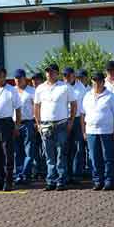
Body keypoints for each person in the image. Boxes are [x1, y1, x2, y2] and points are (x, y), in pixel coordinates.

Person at [34, 63, 77, 191]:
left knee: (60, 154)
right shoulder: (40, 88)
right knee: (49, 155)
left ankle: (61, 180)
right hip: (45, 125)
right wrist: (38, 123)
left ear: (57, 73)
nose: (49, 74)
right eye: (47, 72)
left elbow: (74, 104)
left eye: (52, 72)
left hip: (61, 124)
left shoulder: (65, 87)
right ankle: (51, 180)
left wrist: (71, 121)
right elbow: (36, 106)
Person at [81, 72, 114, 191]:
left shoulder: (111, 96)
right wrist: (84, 131)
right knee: (94, 157)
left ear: (103, 82)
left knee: (108, 157)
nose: (96, 83)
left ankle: (109, 181)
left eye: (99, 81)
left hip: (107, 131)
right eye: (94, 81)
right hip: (91, 131)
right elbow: (82, 114)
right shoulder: (87, 96)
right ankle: (98, 181)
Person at [64, 67, 87, 184]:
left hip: (78, 119)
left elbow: (84, 105)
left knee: (78, 147)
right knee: (66, 147)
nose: (66, 78)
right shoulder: (61, 86)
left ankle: (77, 173)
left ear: (73, 75)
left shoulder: (81, 88)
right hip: (64, 119)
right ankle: (67, 173)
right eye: (65, 75)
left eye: (68, 75)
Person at [13, 69, 37, 185]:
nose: (18, 80)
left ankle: (25, 174)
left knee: (29, 150)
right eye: (16, 78)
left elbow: (37, 107)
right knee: (17, 151)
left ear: (24, 78)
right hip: (14, 123)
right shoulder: (11, 91)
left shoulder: (32, 91)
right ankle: (18, 174)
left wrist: (36, 122)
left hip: (28, 123)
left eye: (20, 78)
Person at [31, 72, 47, 179]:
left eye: (37, 79)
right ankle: (36, 170)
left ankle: (44, 170)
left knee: (45, 147)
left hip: (44, 122)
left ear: (41, 80)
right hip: (33, 122)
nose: (34, 81)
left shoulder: (44, 90)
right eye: (33, 80)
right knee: (34, 148)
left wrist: (39, 123)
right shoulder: (31, 91)